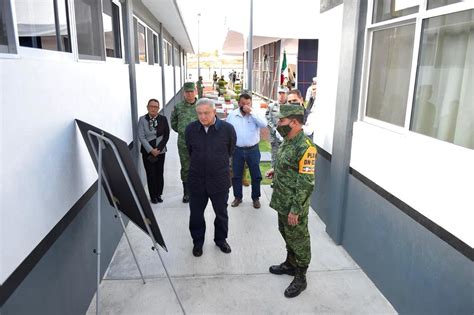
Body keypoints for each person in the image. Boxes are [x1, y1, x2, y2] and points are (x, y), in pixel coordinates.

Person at [266, 104, 317, 298]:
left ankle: (301, 276)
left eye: (282, 120)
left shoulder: (306, 147)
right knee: (285, 232)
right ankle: (290, 264)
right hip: (282, 201)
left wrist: (296, 210)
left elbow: (306, 183)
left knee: (299, 239)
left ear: (294, 122)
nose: (278, 123)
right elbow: (288, 165)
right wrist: (276, 171)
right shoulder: (288, 140)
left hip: (294, 206)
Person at [185, 98, 237, 257]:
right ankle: (197, 243)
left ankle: (221, 240)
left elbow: (230, 150)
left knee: (221, 214)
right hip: (197, 180)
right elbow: (190, 151)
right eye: (199, 113)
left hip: (219, 180)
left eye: (206, 113)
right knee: (195, 215)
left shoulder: (227, 129)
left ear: (215, 112)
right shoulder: (191, 129)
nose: (202, 117)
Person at [226, 93, 267, 209]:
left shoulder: (256, 114)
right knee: (236, 175)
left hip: (253, 149)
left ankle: (256, 198)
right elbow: (227, 131)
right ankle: (237, 197)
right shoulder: (233, 115)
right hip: (237, 150)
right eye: (243, 103)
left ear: (251, 104)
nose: (245, 106)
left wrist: (252, 113)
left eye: (248, 104)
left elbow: (264, 124)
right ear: (239, 103)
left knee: (256, 175)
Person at [138, 99, 170, 204]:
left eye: (156, 107)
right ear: (147, 107)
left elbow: (166, 135)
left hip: (160, 151)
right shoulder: (142, 120)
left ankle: (158, 194)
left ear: (158, 108)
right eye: (151, 106)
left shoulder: (163, 119)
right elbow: (141, 137)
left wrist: (159, 149)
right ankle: (153, 196)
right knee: (151, 174)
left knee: (159, 173)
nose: (153, 108)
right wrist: (151, 150)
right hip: (147, 152)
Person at [171, 82, 198, 203]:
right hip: (183, 142)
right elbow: (174, 123)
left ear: (195, 91)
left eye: (192, 91)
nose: (190, 94)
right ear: (184, 93)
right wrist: (183, 131)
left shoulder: (201, 106)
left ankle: (198, 191)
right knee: (186, 167)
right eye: (187, 92)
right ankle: (186, 193)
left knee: (198, 166)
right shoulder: (178, 107)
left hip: (199, 143)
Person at [266, 86, 288, 168]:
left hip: (287, 138)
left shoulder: (290, 107)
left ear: (286, 95)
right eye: (280, 93)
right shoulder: (272, 106)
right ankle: (274, 178)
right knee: (275, 159)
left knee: (286, 160)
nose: (281, 95)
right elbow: (267, 119)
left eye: (283, 93)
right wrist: (275, 130)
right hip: (275, 138)